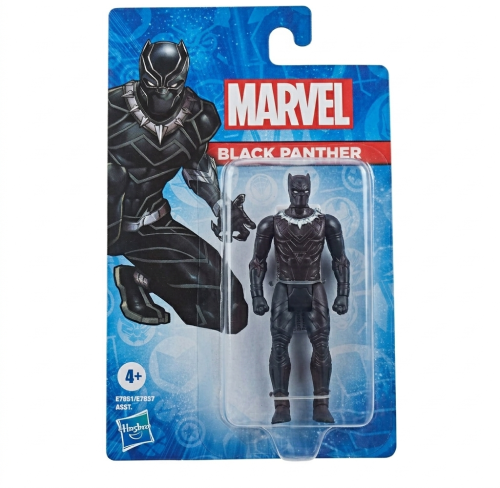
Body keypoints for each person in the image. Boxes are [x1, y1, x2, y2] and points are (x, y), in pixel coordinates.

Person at [108, 40, 255, 333]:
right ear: (142, 75)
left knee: (230, 310)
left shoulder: (200, 118)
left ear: (183, 80)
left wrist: (220, 206)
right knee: (112, 176)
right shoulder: (110, 108)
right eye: (153, 83)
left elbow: (196, 167)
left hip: (149, 226)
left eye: (171, 85)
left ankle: (137, 279)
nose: (161, 93)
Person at [249, 174, 350, 423]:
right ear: (288, 189)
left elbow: (340, 260)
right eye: (295, 191)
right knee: (279, 345)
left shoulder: (327, 222)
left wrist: (343, 294)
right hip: (284, 286)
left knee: (321, 345)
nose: (300, 196)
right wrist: (257, 295)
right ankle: (281, 406)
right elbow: (257, 262)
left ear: (310, 190)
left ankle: (322, 405)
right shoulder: (271, 223)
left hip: (314, 286)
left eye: (304, 191)